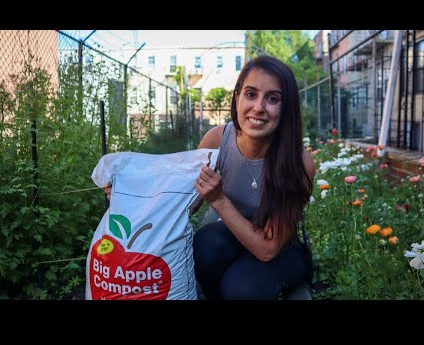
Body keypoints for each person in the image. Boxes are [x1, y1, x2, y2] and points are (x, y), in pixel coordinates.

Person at [104, 55, 315, 300]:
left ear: (286, 107)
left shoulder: (298, 162)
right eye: (250, 94)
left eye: (272, 99)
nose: (258, 107)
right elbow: (185, 202)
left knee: (242, 290)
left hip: (278, 249)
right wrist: (131, 197)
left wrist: (219, 200)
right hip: (232, 237)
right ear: (237, 98)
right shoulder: (217, 141)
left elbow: (267, 250)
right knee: (205, 247)